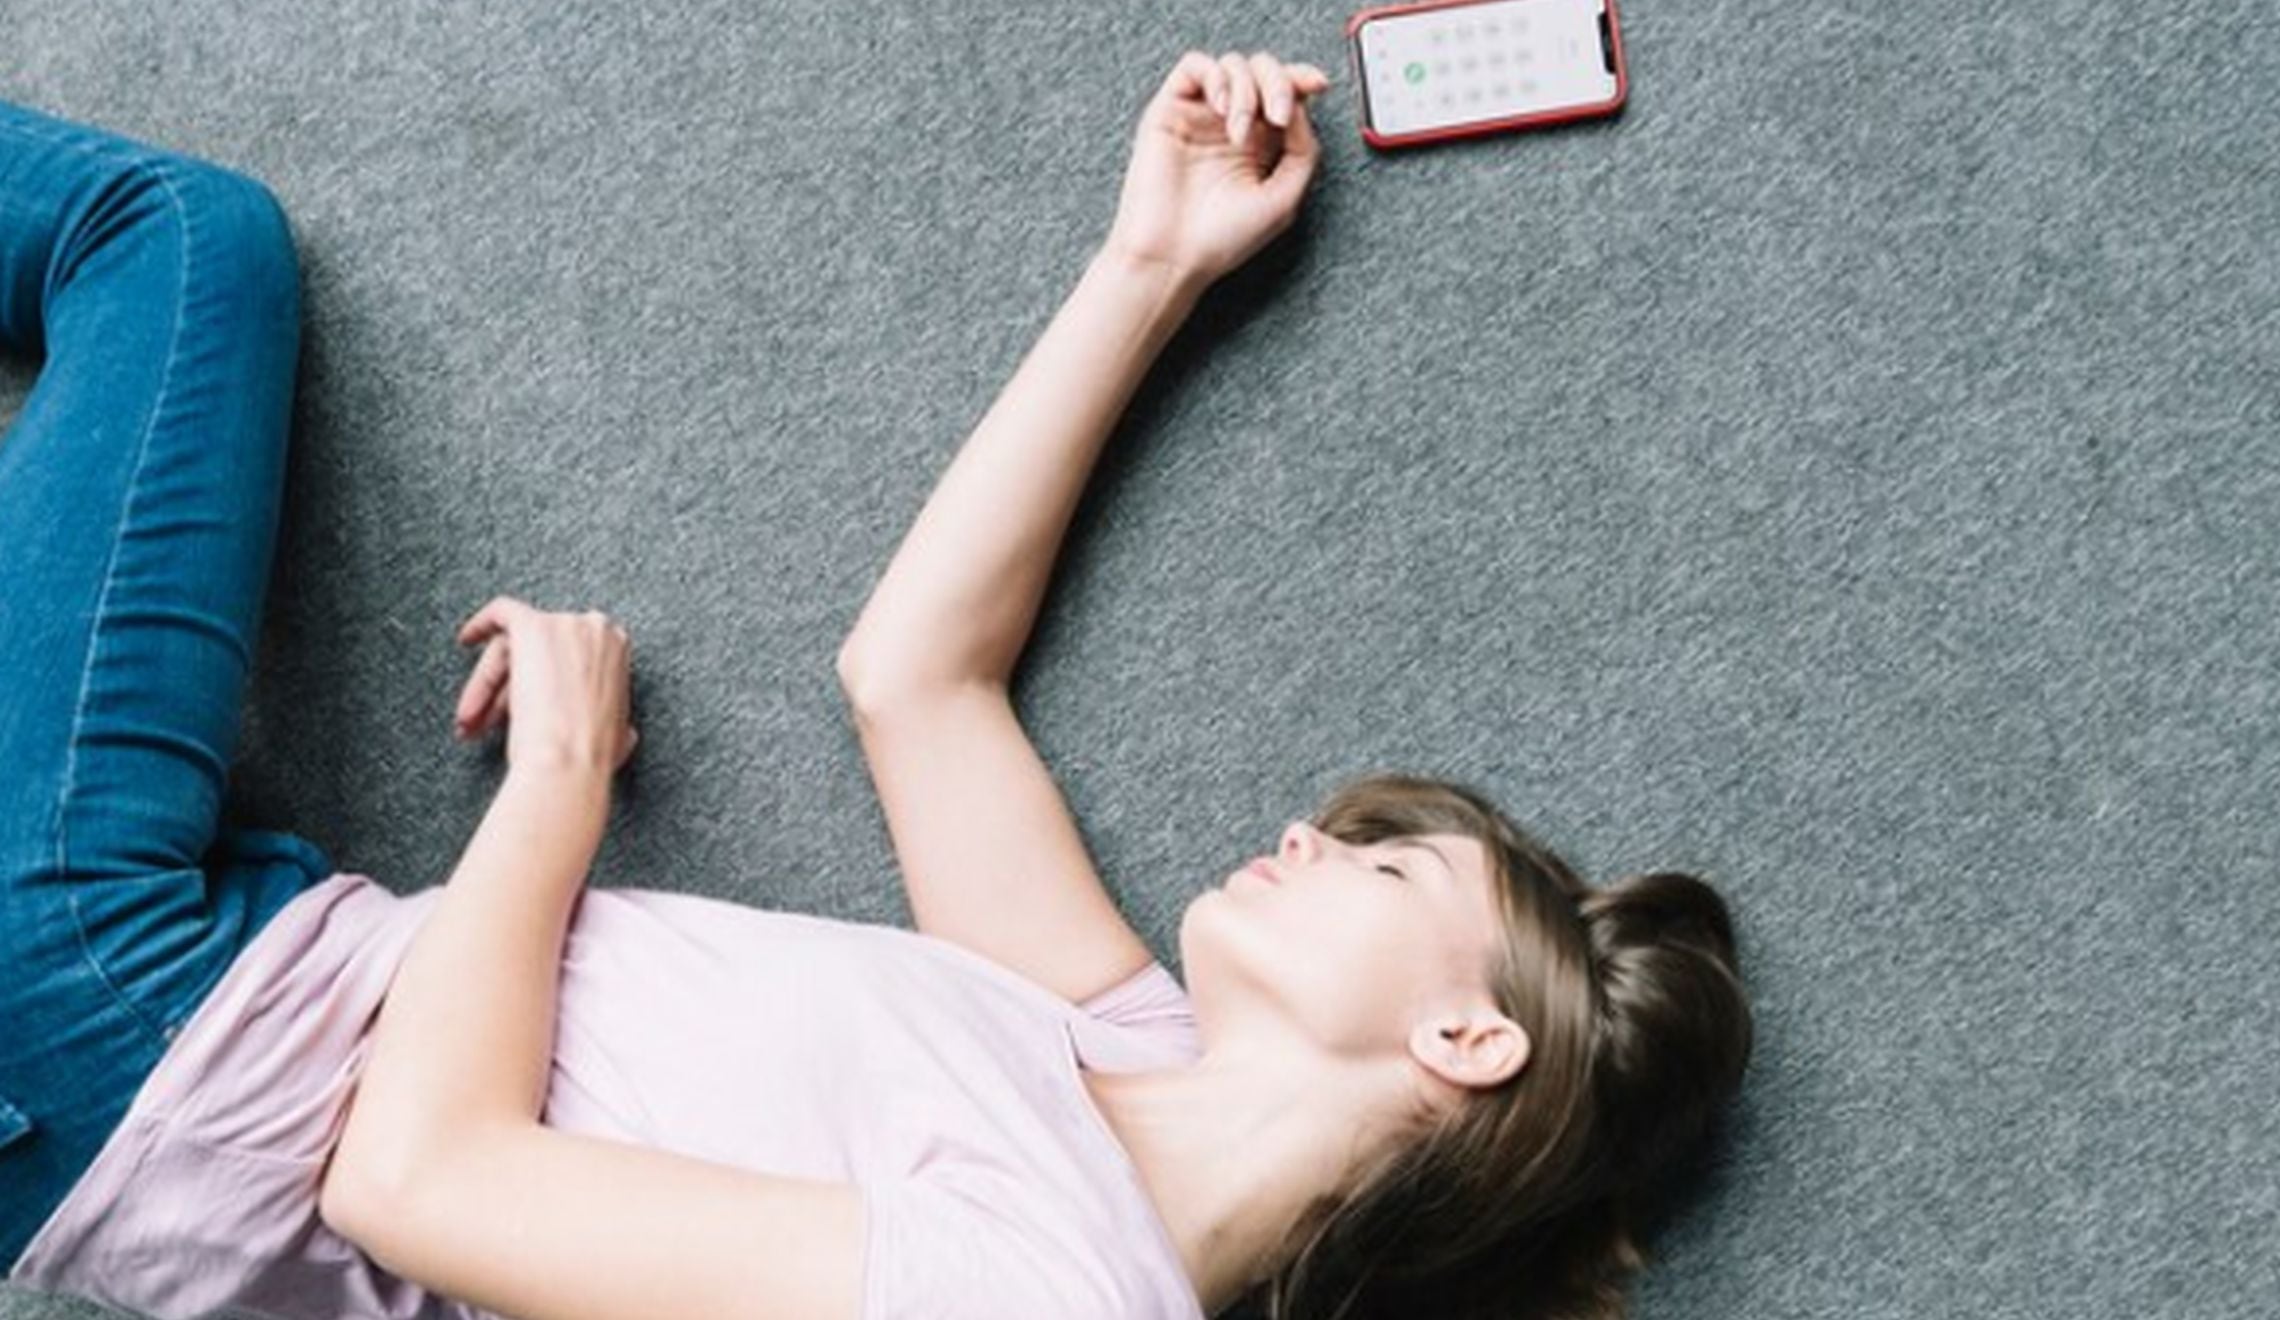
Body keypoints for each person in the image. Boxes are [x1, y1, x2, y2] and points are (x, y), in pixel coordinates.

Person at [1, 44, 1752, 1320]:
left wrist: (559, 788)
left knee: (176, 246)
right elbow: (920, 676)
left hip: (145, 1037)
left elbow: (418, 1179)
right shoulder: (1114, 1048)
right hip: (260, 967)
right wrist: (1153, 262)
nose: (1308, 830)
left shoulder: (1043, 1291)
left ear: (1465, 1038)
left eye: (1384, 866)